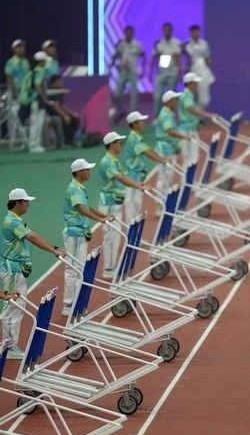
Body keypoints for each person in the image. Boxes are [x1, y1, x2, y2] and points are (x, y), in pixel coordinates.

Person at [0, 188, 65, 358]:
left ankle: (10, 345)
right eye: (26, 201)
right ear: (18, 203)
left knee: (17, 308)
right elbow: (33, 238)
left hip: (16, 270)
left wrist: (54, 248)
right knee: (13, 308)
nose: (28, 204)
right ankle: (9, 347)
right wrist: (53, 250)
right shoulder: (12, 222)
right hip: (12, 271)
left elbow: (33, 235)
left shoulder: (15, 220)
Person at [62, 159, 112, 316]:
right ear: (78, 172)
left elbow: (87, 207)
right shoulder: (74, 189)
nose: (89, 172)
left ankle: (75, 303)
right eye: (86, 170)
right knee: (73, 269)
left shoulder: (79, 188)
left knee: (79, 268)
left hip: (80, 234)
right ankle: (69, 305)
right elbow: (81, 209)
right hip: (74, 234)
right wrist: (100, 220)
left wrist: (102, 215)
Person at [96, 131, 147, 277]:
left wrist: (138, 184)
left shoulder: (114, 160)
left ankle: (111, 266)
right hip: (109, 205)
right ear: (111, 145)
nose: (121, 145)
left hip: (115, 204)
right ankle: (108, 269)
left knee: (116, 237)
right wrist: (139, 186)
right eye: (118, 142)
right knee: (111, 238)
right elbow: (121, 179)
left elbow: (124, 176)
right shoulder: (107, 162)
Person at [122, 111, 168, 221]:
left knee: (136, 206)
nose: (143, 123)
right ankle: (130, 231)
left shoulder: (137, 137)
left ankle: (133, 231)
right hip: (133, 177)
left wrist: (161, 159)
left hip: (138, 177)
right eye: (141, 121)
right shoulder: (133, 139)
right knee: (132, 206)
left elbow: (149, 149)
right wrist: (161, 160)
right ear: (134, 124)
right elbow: (147, 152)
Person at [154, 91, 189, 201]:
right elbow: (170, 131)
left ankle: (164, 200)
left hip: (169, 149)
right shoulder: (166, 115)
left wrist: (176, 147)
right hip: (164, 150)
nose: (176, 103)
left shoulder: (168, 114)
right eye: (175, 100)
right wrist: (185, 137)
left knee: (168, 176)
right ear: (169, 102)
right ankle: (160, 202)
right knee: (163, 176)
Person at [177, 72, 218, 164]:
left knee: (193, 157)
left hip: (191, 129)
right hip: (187, 131)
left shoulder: (189, 95)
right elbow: (191, 110)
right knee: (189, 158)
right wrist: (208, 115)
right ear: (190, 83)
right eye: (195, 82)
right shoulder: (186, 96)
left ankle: (190, 174)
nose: (197, 85)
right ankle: (187, 174)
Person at [109, 26, 145, 122]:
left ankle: (134, 115)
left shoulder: (137, 44)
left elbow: (143, 56)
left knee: (134, 94)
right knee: (117, 93)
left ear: (133, 33)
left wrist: (142, 69)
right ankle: (120, 110)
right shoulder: (120, 44)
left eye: (130, 32)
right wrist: (111, 66)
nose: (129, 34)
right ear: (124, 33)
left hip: (133, 72)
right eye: (127, 32)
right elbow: (115, 55)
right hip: (123, 72)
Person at [150, 22, 182, 117]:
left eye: (169, 30)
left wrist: (179, 73)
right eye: (165, 30)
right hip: (161, 72)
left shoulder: (176, 43)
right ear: (163, 31)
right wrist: (149, 72)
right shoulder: (158, 43)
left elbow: (178, 58)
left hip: (172, 72)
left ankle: (170, 117)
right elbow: (153, 57)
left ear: (171, 31)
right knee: (157, 96)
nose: (167, 32)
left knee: (171, 97)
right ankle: (157, 118)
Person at [43, 74, 80, 148]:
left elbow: (62, 105)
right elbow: (55, 106)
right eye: (59, 82)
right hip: (51, 113)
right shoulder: (50, 92)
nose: (61, 83)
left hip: (59, 112)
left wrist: (72, 113)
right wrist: (64, 116)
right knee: (64, 119)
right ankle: (64, 142)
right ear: (54, 83)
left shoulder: (60, 91)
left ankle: (69, 140)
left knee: (76, 119)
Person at [182, 25, 214, 109]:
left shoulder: (204, 44)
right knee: (191, 96)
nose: (196, 33)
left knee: (204, 99)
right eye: (194, 32)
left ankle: (200, 113)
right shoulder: (186, 44)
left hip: (203, 71)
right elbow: (181, 57)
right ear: (191, 33)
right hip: (192, 72)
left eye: (197, 32)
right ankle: (191, 114)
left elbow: (208, 57)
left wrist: (209, 62)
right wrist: (184, 68)